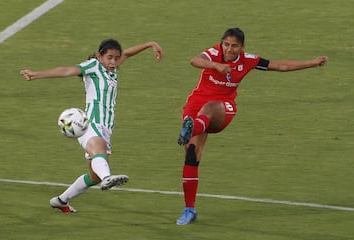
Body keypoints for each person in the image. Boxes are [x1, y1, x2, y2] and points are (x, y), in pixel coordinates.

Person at [176, 27, 328, 225]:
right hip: (195, 105)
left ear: (242, 47)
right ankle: (189, 209)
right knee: (191, 155)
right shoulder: (214, 53)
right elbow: (194, 60)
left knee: (210, 108)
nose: (229, 49)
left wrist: (312, 63)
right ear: (221, 43)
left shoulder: (248, 60)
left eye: (234, 46)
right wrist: (215, 66)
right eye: (227, 44)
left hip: (223, 107)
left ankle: (191, 128)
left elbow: (280, 66)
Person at [20, 39, 163, 213]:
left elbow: (127, 53)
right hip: (89, 124)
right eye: (109, 57)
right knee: (100, 151)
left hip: (106, 128)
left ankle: (61, 200)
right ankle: (108, 178)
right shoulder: (93, 66)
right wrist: (36, 74)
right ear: (99, 56)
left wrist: (149, 44)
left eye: (116, 58)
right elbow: (67, 70)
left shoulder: (112, 69)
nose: (113, 62)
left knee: (93, 176)